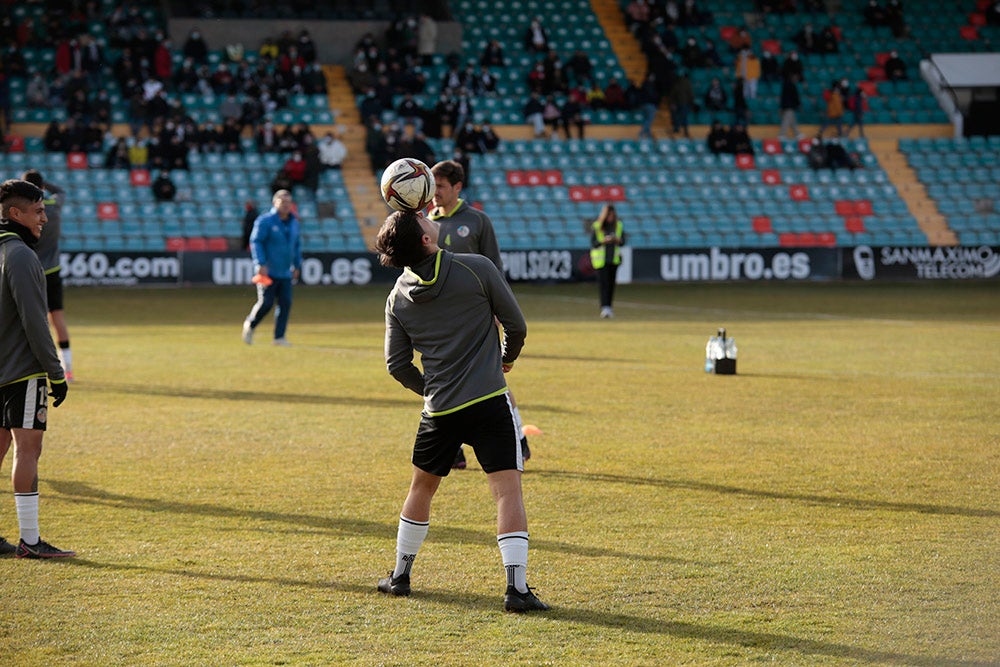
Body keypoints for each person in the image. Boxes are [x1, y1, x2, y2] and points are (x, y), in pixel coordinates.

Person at [373, 209, 548, 614]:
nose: (426, 216)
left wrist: (430, 389)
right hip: (489, 399)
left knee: (421, 488)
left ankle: (400, 576)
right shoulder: (476, 268)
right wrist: (506, 360)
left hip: (438, 411)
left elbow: (396, 365)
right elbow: (516, 326)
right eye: (420, 219)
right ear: (426, 240)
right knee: (507, 491)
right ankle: (516, 590)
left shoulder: (397, 296)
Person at [429, 160, 531, 468]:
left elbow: (494, 267)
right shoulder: (426, 222)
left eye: (441, 187)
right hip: (441, 320)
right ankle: (455, 450)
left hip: (477, 316)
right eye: (432, 187)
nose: (435, 194)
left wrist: (498, 308)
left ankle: (518, 440)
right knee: (445, 380)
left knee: (490, 379)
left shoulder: (477, 220)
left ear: (458, 187)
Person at [0, 178, 73, 558]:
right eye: (38, 210)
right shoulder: (22, 256)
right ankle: (30, 541)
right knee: (29, 450)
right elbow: (34, 322)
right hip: (22, 372)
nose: (44, 217)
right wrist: (56, 373)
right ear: (16, 213)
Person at [20, 171, 73, 382]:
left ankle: (32, 366)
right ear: (42, 187)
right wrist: (42, 184)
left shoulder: (26, 213)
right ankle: (68, 369)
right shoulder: (54, 205)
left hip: (31, 270)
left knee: (32, 319)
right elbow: (61, 191)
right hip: (53, 271)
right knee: (57, 317)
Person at [241, 190, 302, 347]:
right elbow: (256, 242)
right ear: (275, 203)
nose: (286, 205)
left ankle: (279, 337)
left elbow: (296, 245)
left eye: (289, 202)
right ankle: (250, 324)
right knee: (266, 303)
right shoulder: (265, 221)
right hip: (268, 270)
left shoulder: (294, 222)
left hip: (285, 271)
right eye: (283, 202)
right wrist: (260, 263)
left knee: (285, 303)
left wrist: (297, 264)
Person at [589, 203, 625, 319]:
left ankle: (609, 306)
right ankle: (605, 307)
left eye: (612, 215)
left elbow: (623, 241)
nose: (611, 218)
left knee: (611, 284)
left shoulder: (618, 225)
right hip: (601, 261)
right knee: (604, 284)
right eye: (609, 215)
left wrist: (617, 240)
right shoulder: (597, 226)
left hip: (613, 259)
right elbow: (594, 243)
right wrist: (603, 241)